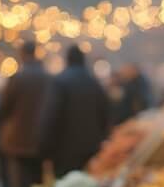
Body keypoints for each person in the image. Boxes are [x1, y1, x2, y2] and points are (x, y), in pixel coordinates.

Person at [40, 44, 111, 177]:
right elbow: (105, 114)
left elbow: (51, 116)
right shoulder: (94, 83)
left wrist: (45, 147)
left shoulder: (59, 81)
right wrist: (102, 138)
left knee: (65, 185)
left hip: (63, 148)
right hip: (90, 147)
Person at [0, 39, 50, 187]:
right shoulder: (47, 78)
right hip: (41, 138)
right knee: (38, 183)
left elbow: (4, 107)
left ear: (22, 54)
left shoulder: (17, 78)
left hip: (17, 139)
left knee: (19, 184)